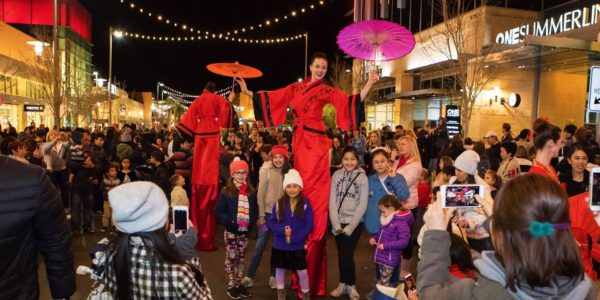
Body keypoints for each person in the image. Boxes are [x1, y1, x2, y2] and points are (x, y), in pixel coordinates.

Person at [237, 51, 379, 296]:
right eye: (318, 66)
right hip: (300, 141)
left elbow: (350, 103)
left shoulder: (326, 91)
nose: (321, 70)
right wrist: (248, 92)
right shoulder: (297, 87)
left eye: (324, 67)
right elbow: (275, 97)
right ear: (311, 67)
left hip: (317, 141)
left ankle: (315, 232)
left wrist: (369, 82)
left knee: (316, 189)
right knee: (299, 187)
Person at [418, 174, 597, 299]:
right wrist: (496, 220)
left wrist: (435, 234)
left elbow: (431, 293)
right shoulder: (585, 287)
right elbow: (531, 233)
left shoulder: (489, 294)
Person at [103, 181, 213, 299]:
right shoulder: (178, 273)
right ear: (162, 220)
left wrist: (169, 242)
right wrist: (187, 253)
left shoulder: (110, 257)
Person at [0, 155, 75, 299]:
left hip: (16, 290)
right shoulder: (30, 178)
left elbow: (56, 241)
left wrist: (63, 292)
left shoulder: (30, 179)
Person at [177, 82, 235, 251]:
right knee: (210, 167)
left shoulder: (197, 101)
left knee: (199, 164)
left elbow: (186, 123)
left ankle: (194, 238)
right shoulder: (217, 98)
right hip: (212, 134)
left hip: (200, 134)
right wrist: (229, 100)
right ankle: (206, 240)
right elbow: (226, 115)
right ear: (214, 90)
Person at [242, 145, 290, 289]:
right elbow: (260, 194)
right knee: (259, 247)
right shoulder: (265, 170)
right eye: (275, 157)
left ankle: (273, 276)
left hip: (281, 216)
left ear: (285, 158)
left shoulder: (289, 172)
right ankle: (250, 276)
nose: (278, 160)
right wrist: (262, 215)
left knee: (278, 247)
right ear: (271, 157)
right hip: (267, 215)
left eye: (281, 157)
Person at [215, 158, 258, 299]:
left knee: (241, 259)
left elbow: (255, 211)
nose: (241, 175)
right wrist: (232, 221)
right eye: (238, 172)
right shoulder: (227, 191)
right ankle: (231, 285)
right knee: (231, 258)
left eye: (243, 172)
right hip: (231, 231)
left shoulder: (251, 192)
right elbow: (218, 212)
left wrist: (250, 222)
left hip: (244, 233)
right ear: (232, 174)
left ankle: (239, 284)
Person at [328, 147, 369, 299]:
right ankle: (342, 284)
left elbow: (362, 204)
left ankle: (351, 285)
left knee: (346, 254)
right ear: (341, 160)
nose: (349, 162)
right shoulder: (336, 175)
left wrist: (351, 227)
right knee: (342, 255)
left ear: (357, 160)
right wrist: (336, 225)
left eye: (352, 159)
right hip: (338, 222)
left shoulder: (362, 177)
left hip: (355, 223)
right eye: (346, 159)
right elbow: (332, 201)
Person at [268, 169, 314, 300]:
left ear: (300, 187)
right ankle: (281, 295)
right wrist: (283, 231)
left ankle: (306, 294)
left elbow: (309, 226)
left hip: (297, 246)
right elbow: (271, 222)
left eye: (295, 186)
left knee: (302, 272)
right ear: (284, 188)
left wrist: (293, 238)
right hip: (280, 245)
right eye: (288, 186)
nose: (292, 189)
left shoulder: (306, 204)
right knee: (280, 270)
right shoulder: (278, 204)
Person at [391, 135, 422, 277]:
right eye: (399, 144)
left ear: (411, 146)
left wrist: (391, 176)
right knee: (395, 237)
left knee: (405, 239)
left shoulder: (415, 165)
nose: (400, 146)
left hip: (408, 206)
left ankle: (406, 271)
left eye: (403, 144)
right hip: (395, 205)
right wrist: (392, 161)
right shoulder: (399, 160)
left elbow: (401, 184)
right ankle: (396, 268)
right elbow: (388, 177)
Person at [450, 150, 492, 253]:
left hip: (480, 238)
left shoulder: (482, 187)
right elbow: (452, 205)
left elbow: (488, 214)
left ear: (469, 172)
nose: (456, 173)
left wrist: (467, 222)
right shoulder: (453, 181)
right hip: (461, 234)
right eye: (455, 169)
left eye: (460, 171)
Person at [369, 195, 413, 287]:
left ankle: (384, 295)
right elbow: (381, 234)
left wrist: (385, 245)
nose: (381, 213)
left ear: (392, 208)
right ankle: (384, 293)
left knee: (384, 282)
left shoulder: (401, 223)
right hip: (383, 256)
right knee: (383, 280)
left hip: (390, 258)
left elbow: (404, 242)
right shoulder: (386, 218)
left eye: (383, 211)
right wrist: (374, 238)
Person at [528, 118, 562, 182]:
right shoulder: (536, 176)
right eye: (561, 142)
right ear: (551, 143)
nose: (561, 146)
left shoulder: (550, 168)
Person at [43, 130, 70, 209]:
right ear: (48, 137)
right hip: (51, 171)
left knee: (64, 189)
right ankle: (53, 206)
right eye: (52, 135)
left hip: (62, 169)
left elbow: (68, 149)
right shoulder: (45, 145)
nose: (54, 136)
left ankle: (66, 206)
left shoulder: (62, 145)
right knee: (52, 189)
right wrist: (53, 142)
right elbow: (46, 150)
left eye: (55, 135)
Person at [101, 165, 121, 231]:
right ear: (107, 173)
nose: (114, 172)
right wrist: (105, 188)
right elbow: (100, 188)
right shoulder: (104, 180)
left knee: (114, 213)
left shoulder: (118, 181)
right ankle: (105, 225)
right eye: (112, 170)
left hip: (115, 200)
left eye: (115, 170)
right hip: (106, 200)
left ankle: (114, 225)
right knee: (106, 214)